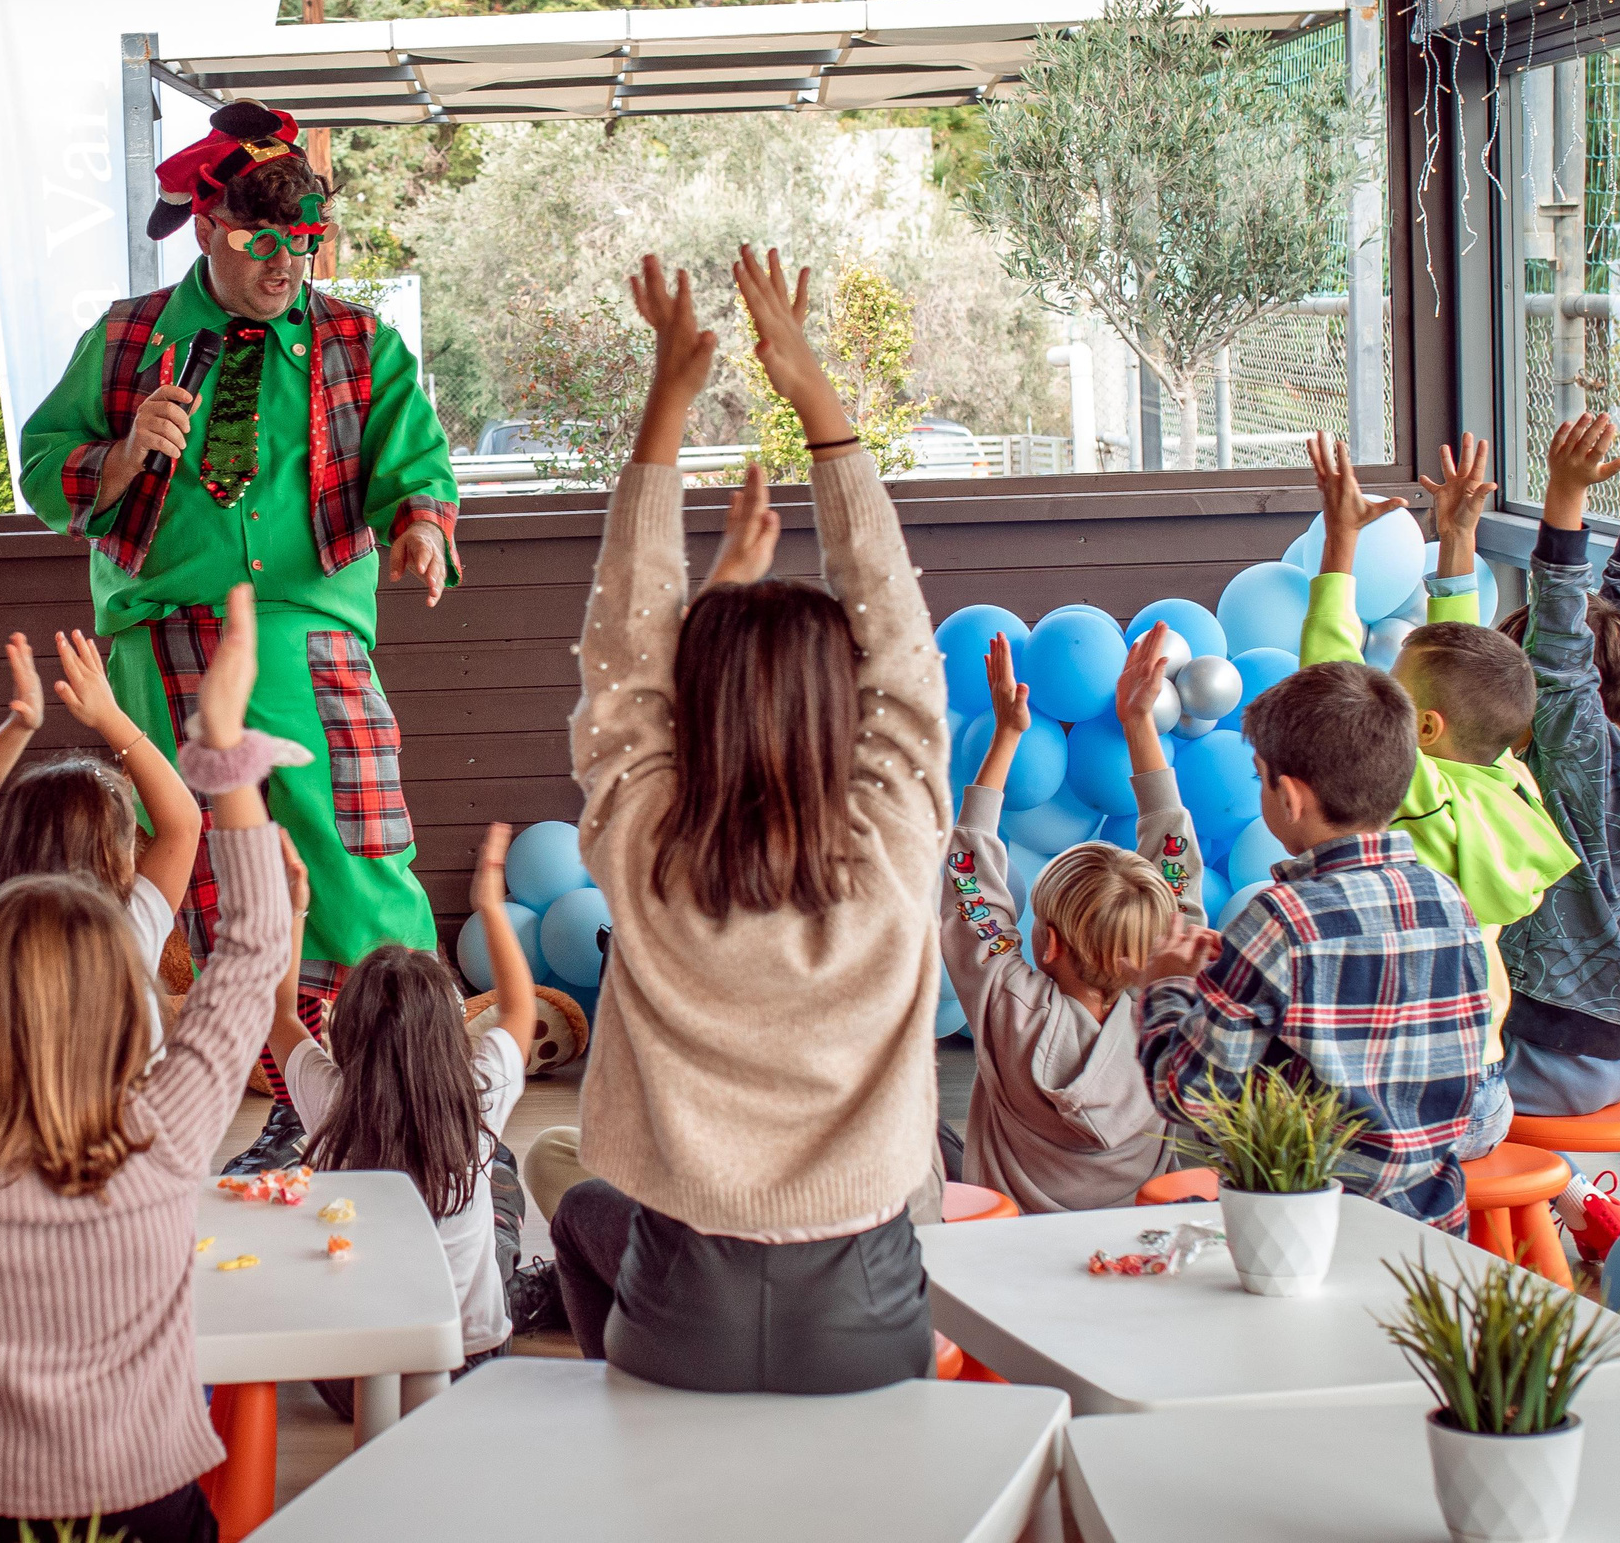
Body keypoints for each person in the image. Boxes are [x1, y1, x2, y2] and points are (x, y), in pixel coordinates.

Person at [17, 100, 459, 1174]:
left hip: (308, 634)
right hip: (162, 632)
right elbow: (43, 471)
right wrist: (120, 456)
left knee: (357, 858)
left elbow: (419, 464)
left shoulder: (358, 339)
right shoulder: (127, 338)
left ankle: (412, 1083)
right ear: (213, 227)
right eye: (267, 241)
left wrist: (423, 531)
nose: (289, 264)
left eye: (307, 244)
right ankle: (226, 1103)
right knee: (196, 881)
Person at [0, 581, 293, 1543]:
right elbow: (253, 952)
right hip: (145, 1503)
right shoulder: (165, 1142)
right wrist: (221, 737)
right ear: (129, 1010)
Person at [545, 248, 946, 1394]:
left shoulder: (642, 848)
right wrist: (816, 397)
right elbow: (904, 647)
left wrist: (665, 407)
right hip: (866, 1309)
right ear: (848, 711)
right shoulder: (891, 848)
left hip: (678, 1311)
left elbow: (622, 656)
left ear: (690, 706)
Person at [1297, 433, 1576, 1159]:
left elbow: (1326, 679)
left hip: (1412, 1097)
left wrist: (1340, 544)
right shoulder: (1509, 782)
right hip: (1486, 1087)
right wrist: (1458, 538)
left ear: (1422, 728)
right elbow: (1469, 672)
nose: (1376, 683)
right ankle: (1568, 1199)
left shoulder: (1419, 790)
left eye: (1390, 677)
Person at [1136, 658, 1491, 1229]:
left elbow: (1186, 1096)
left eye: (1259, 777)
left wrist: (1165, 985)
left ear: (1291, 796)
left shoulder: (1280, 922)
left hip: (1303, 1236)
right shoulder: (1449, 900)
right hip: (1435, 1225)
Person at [273, 821, 534, 1414]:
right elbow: (519, 1006)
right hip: (469, 1370)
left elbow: (280, 1012)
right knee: (499, 1194)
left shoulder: (330, 1101)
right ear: (451, 1029)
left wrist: (295, 911)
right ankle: (530, 1291)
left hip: (354, 1383)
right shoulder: (482, 1088)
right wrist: (491, 906)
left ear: (347, 1032)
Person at [943, 627, 1195, 1212]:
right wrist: (1139, 724)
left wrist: (1006, 735)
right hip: (1139, 1248)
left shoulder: (1009, 1007)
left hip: (1012, 1254)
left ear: (1047, 942)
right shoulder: (1167, 1008)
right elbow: (1176, 869)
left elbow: (967, 884)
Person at [1495, 410, 1620, 1122]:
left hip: (1545, 1052)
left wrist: (1565, 494)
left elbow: (1562, 640)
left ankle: (1562, 1196)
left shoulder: (1573, 753)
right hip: (1611, 1049)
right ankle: (1576, 1203)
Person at [0, 624, 203, 1001]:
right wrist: (110, 717)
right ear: (117, 855)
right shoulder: (132, 926)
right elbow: (183, 823)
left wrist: (19, 726)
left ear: (13, 839)